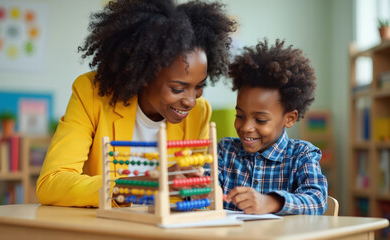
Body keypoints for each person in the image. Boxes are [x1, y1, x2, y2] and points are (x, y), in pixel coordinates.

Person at [36, 0, 236, 207]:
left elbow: (191, 193)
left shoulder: (199, 113)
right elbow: (51, 183)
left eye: (199, 87)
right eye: (177, 89)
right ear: (144, 75)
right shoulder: (91, 94)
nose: (191, 101)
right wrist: (139, 185)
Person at [218, 39, 328, 215]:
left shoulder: (301, 155)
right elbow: (204, 189)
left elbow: (317, 199)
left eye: (260, 120)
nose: (246, 127)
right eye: (240, 115)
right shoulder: (225, 151)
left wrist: (271, 202)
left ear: (289, 118)